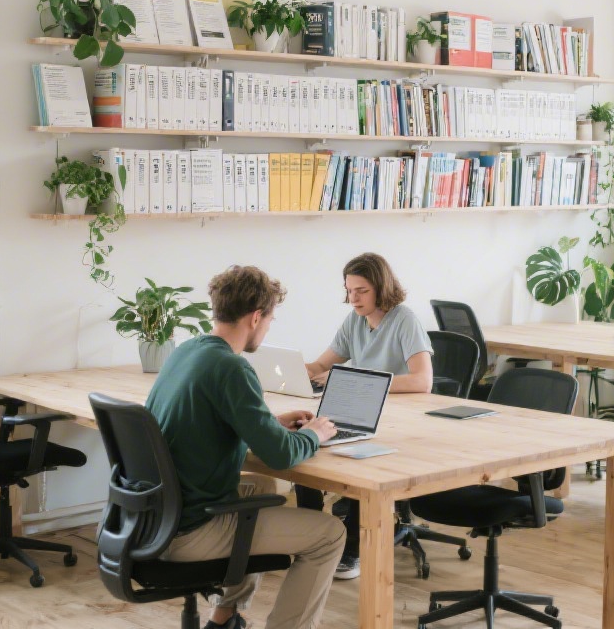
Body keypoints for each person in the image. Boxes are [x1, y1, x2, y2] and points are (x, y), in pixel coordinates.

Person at [146, 265, 346, 629]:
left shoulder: (187, 351)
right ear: (256, 317)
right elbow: (281, 455)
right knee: (330, 535)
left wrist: (270, 423)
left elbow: (212, 418)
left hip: (155, 517)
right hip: (189, 529)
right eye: (270, 319)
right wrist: (314, 433)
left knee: (263, 486)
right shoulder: (232, 367)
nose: (268, 327)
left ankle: (224, 619)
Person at [300, 252, 434, 579]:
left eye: (361, 291)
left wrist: (359, 382)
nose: (353, 299)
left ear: (380, 288)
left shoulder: (404, 320)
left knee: (360, 466)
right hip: (358, 412)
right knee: (303, 445)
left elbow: (423, 381)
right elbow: (321, 365)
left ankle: (352, 551)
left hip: (399, 419)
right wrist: (294, 371)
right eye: (349, 291)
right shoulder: (355, 320)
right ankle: (309, 534)